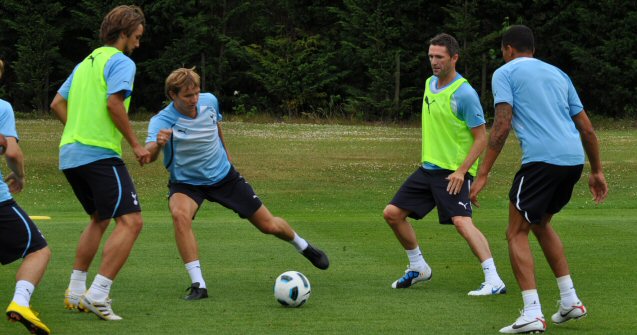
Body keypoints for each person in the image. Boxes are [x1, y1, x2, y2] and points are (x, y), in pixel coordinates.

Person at [143, 68, 329, 300]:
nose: (194, 100)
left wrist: (227, 154)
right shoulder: (161, 121)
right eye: (187, 96)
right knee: (180, 215)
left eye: (196, 93)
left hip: (224, 177)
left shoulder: (209, 101)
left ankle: (303, 246)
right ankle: (198, 285)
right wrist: (159, 144)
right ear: (172, 94)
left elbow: (216, 125)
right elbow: (147, 158)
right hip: (187, 183)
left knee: (268, 225)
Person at [470, 25, 608, 334]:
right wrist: (596, 171)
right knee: (540, 223)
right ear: (532, 49)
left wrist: (482, 173)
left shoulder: (504, 73)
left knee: (515, 232)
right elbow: (587, 129)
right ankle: (570, 300)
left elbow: (502, 125)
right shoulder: (559, 74)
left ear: (508, 50)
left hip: (541, 162)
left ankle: (532, 313)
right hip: (572, 161)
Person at [383, 33, 506, 295]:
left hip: (452, 173)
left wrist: (463, 172)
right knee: (392, 214)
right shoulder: (429, 83)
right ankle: (418, 267)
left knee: (462, 222)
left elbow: (481, 137)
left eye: (439, 57)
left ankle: (494, 279)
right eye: (431, 56)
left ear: (454, 58)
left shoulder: (465, 93)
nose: (434, 62)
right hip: (427, 169)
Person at [49, 5, 149, 321]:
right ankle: (98, 294)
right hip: (99, 154)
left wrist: (77, 130)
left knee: (99, 218)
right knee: (132, 221)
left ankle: (76, 291)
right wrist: (135, 144)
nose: (138, 43)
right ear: (124, 33)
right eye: (136, 36)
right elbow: (114, 103)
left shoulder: (85, 63)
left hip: (71, 155)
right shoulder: (121, 62)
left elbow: (57, 102)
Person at [1, 59, 52, 335]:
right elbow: (12, 152)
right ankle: (20, 302)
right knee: (38, 250)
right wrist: (20, 176)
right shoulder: (2, 108)